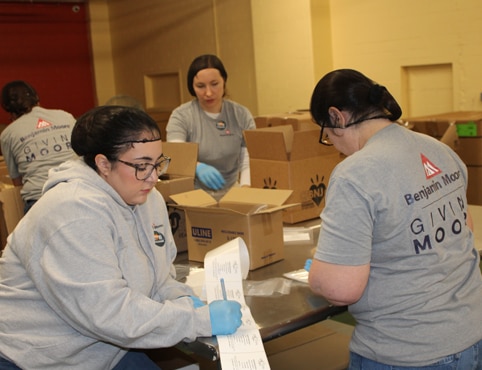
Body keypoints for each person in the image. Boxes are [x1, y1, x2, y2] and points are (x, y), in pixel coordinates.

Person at [0, 106, 242, 369]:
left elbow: (159, 275)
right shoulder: (71, 213)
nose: (154, 176)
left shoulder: (148, 198)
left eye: (158, 162)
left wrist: (180, 298)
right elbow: (107, 312)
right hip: (40, 357)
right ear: (103, 164)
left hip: (104, 347)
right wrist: (196, 321)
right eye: (141, 166)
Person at [307, 69, 482, 369]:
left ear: (336, 117)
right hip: (470, 337)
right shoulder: (439, 149)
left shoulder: (354, 174)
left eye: (326, 133)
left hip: (408, 350)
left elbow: (341, 289)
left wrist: (321, 271)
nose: (334, 146)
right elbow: (464, 229)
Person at [166, 54, 256, 199]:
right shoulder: (181, 116)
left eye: (214, 84)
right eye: (200, 86)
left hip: (233, 192)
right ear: (192, 87)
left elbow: (248, 159)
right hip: (194, 194)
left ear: (224, 81)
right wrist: (197, 167)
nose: (208, 93)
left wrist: (245, 190)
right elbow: (176, 156)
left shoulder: (241, 114)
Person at [0, 80, 76, 213]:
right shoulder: (66, 116)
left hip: (40, 200)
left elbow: (17, 182)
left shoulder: (8, 134)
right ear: (37, 98)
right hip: (79, 189)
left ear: (8, 110)